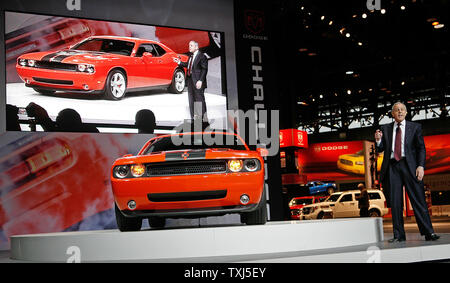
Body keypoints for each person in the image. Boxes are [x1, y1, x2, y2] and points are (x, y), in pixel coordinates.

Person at [374, 102, 439, 242]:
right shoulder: (385, 128)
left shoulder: (415, 127)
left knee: (419, 200)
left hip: (410, 166)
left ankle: (429, 232)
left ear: (406, 112)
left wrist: (421, 166)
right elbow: (380, 149)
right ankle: (398, 235)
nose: (399, 112)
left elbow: (421, 148)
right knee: (396, 203)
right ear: (392, 114)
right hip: (392, 167)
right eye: (396, 110)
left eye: (402, 109)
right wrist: (378, 141)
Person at [173, 40, 208, 122]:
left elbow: (204, 69)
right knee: (191, 99)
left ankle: (202, 119)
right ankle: (194, 118)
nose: (189, 47)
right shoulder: (191, 56)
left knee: (199, 99)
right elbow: (188, 65)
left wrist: (200, 80)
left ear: (196, 47)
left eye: (191, 45)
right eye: (189, 45)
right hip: (190, 80)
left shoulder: (202, 56)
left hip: (197, 81)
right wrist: (179, 62)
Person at [26, 102, 99, 132]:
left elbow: (45, 119)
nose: (57, 119)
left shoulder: (56, 132)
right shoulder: (91, 130)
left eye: (58, 117)